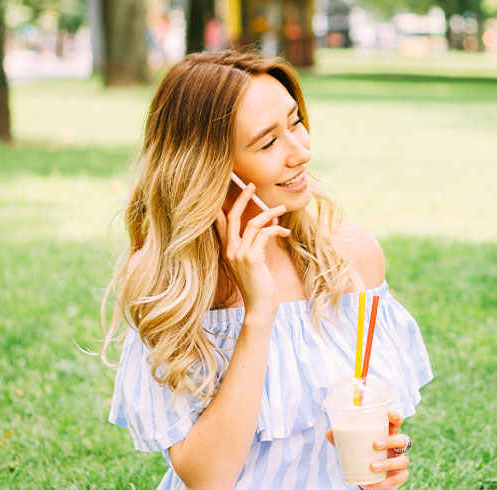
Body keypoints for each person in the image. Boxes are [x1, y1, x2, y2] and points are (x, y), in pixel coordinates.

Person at [100, 49, 433, 490]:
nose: (302, 151)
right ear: (211, 168)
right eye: (268, 142)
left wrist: (386, 465)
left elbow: (374, 424)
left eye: (295, 122)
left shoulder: (351, 256)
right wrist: (258, 315)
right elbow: (208, 478)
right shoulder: (168, 281)